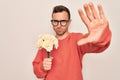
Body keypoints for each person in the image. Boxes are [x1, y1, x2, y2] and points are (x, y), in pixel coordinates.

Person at [32, 2, 112, 80]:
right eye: (55, 22)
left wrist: (101, 36)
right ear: (52, 22)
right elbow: (37, 72)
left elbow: (98, 45)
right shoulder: (45, 43)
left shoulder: (77, 39)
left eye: (63, 21)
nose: (59, 25)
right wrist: (42, 67)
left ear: (69, 22)